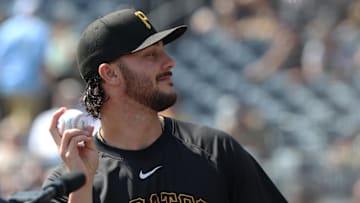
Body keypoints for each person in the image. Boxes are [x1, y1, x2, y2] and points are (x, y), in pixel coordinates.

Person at [44, 8, 288, 203]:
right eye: (150, 55)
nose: (170, 62)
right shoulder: (69, 181)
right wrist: (83, 184)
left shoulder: (215, 150)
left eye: (163, 51)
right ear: (110, 74)